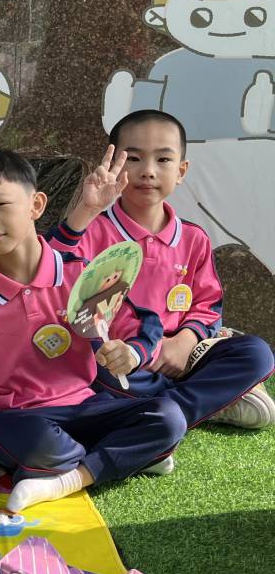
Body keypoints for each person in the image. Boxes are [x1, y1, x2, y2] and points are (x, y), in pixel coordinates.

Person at [0, 150, 185, 512]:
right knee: (41, 446)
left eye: (1, 205)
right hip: (9, 413)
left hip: (85, 403)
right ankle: (125, 456)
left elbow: (140, 324)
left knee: (169, 418)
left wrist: (132, 352)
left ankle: (68, 479)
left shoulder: (80, 273)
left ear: (36, 205)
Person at [49, 110, 275, 433]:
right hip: (121, 359)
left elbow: (207, 306)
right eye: (134, 158)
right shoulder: (93, 229)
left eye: (163, 159)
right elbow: (48, 270)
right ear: (113, 166)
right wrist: (85, 210)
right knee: (92, 364)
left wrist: (185, 340)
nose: (148, 171)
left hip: (178, 358)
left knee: (256, 354)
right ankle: (201, 403)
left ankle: (162, 410)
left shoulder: (194, 238)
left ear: (181, 171)